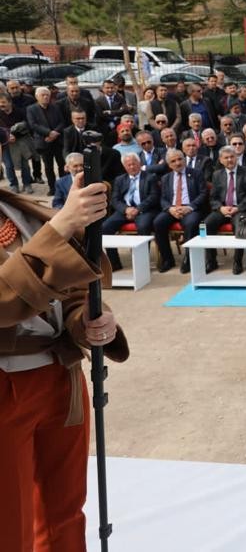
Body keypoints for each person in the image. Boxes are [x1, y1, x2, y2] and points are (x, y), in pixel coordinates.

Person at [0, 162, 128, 552]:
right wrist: (61, 227)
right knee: (10, 523)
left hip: (61, 378)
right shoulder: (42, 219)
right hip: (6, 389)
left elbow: (68, 289)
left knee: (66, 513)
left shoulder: (16, 209)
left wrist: (86, 320)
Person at [204, 146, 246, 275]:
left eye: (232, 157)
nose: (229, 160)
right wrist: (220, 208)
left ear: (236, 158)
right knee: (206, 225)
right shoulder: (217, 175)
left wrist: (238, 208)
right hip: (223, 209)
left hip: (241, 209)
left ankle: (237, 261)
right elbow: (213, 197)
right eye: (226, 158)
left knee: (239, 225)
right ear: (221, 160)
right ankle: (211, 260)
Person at [101, 153, 160, 271]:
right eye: (129, 165)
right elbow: (115, 199)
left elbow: (154, 197)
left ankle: (142, 263)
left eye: (134, 164)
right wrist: (126, 209)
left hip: (144, 210)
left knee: (143, 226)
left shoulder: (150, 177)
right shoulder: (119, 179)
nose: (132, 167)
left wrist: (138, 209)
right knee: (105, 227)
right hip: (125, 210)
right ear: (124, 166)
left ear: (139, 163)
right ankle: (114, 263)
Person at [153, 149, 208, 273]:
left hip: (191, 208)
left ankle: (189, 259)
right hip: (172, 208)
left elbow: (203, 193)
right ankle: (167, 259)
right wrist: (170, 209)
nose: (177, 163)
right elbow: (162, 198)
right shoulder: (166, 178)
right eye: (173, 161)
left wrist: (189, 207)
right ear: (169, 164)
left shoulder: (196, 173)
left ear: (184, 159)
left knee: (191, 223)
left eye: (180, 159)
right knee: (158, 222)